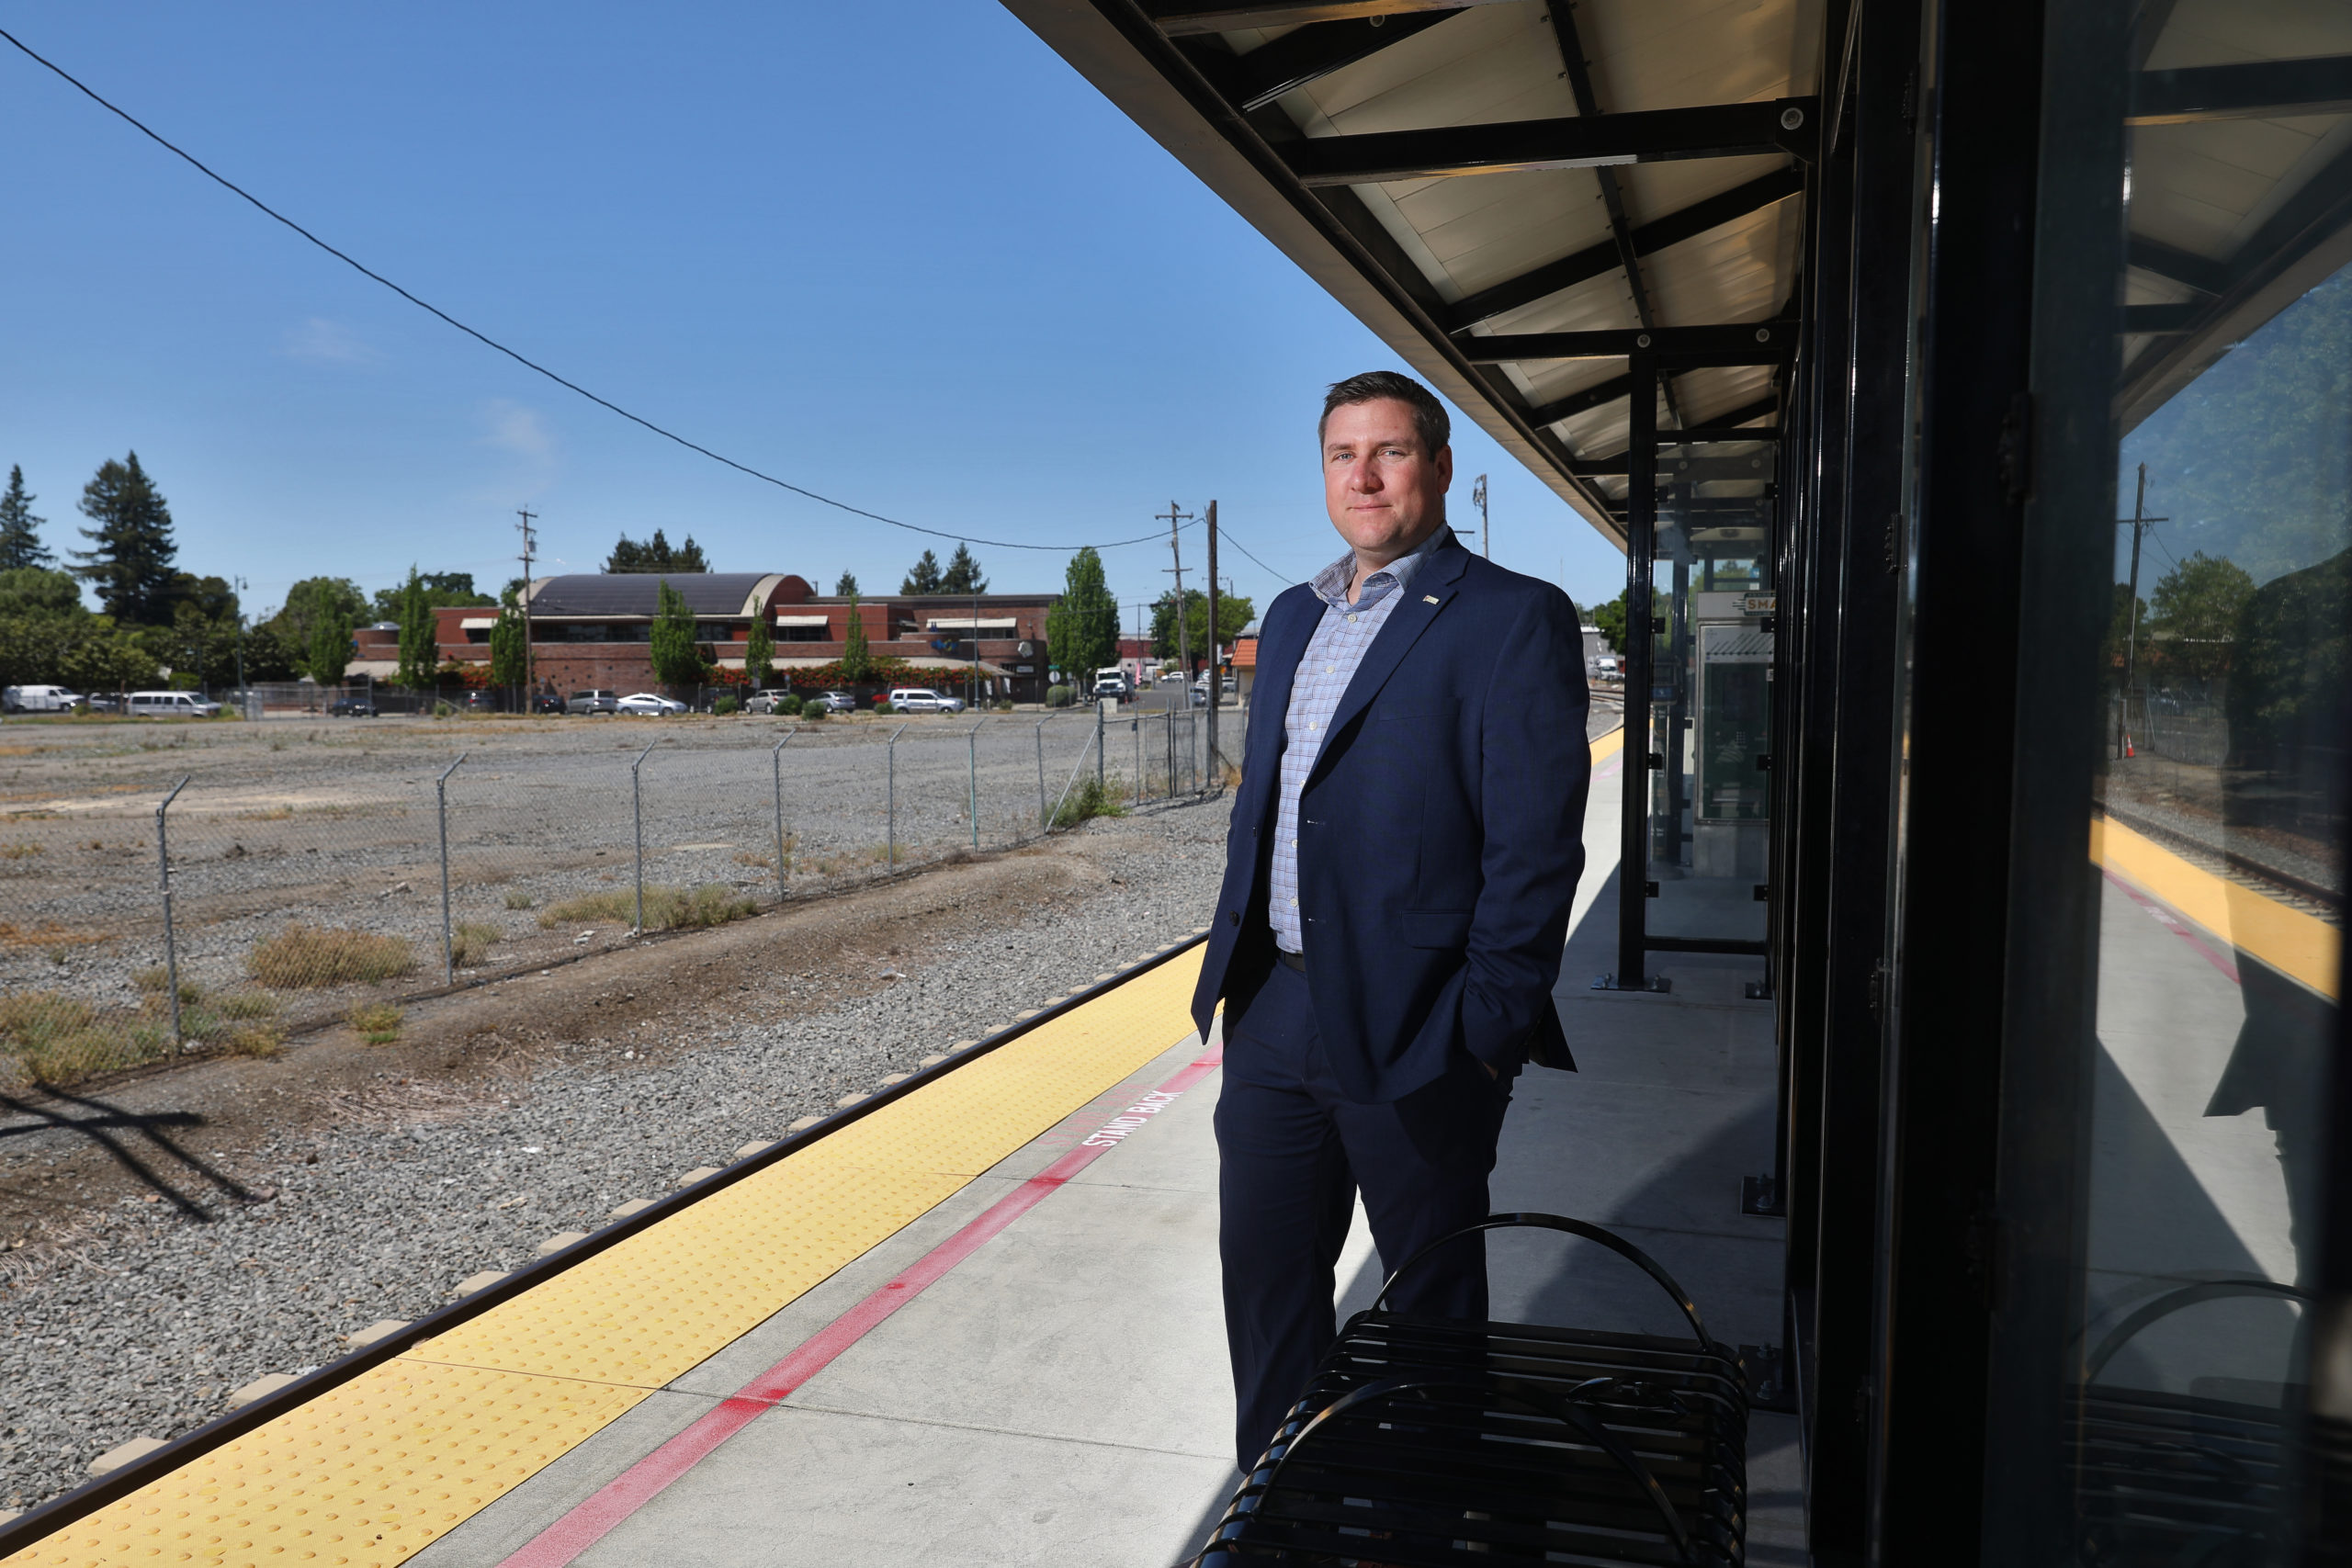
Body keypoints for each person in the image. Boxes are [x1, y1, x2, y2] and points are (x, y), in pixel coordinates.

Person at [1192, 370, 1592, 1471]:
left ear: (1440, 468)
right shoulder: (1291, 615)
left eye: (1389, 452)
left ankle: (1424, 1517)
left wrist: (1485, 1035)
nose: (1362, 477)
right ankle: (1281, 1504)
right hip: (1275, 1007)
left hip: (1422, 1024)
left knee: (1428, 1299)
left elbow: (1535, 851)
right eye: (1340, 455)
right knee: (1268, 1283)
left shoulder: (1513, 619)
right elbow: (1271, 803)